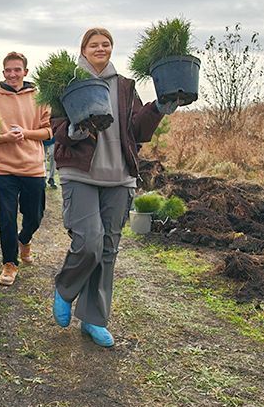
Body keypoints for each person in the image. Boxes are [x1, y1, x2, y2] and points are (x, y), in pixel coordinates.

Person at [51, 27, 175, 347]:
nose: (101, 48)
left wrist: (159, 106)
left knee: (107, 251)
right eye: (94, 44)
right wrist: (78, 127)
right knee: (89, 242)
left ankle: (94, 319)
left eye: (106, 44)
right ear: (83, 49)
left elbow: (137, 129)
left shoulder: (125, 87)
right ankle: (65, 289)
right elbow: (57, 128)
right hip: (81, 174)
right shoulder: (68, 82)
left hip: (120, 177)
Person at [0, 51, 52, 286]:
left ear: (25, 71)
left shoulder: (40, 98)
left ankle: (25, 239)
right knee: (7, 217)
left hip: (33, 166)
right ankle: (10, 263)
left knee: (35, 215)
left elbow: (48, 131)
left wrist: (25, 134)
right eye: (8, 70)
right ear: (3, 73)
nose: (12, 74)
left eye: (17, 70)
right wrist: (5, 138)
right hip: (4, 167)